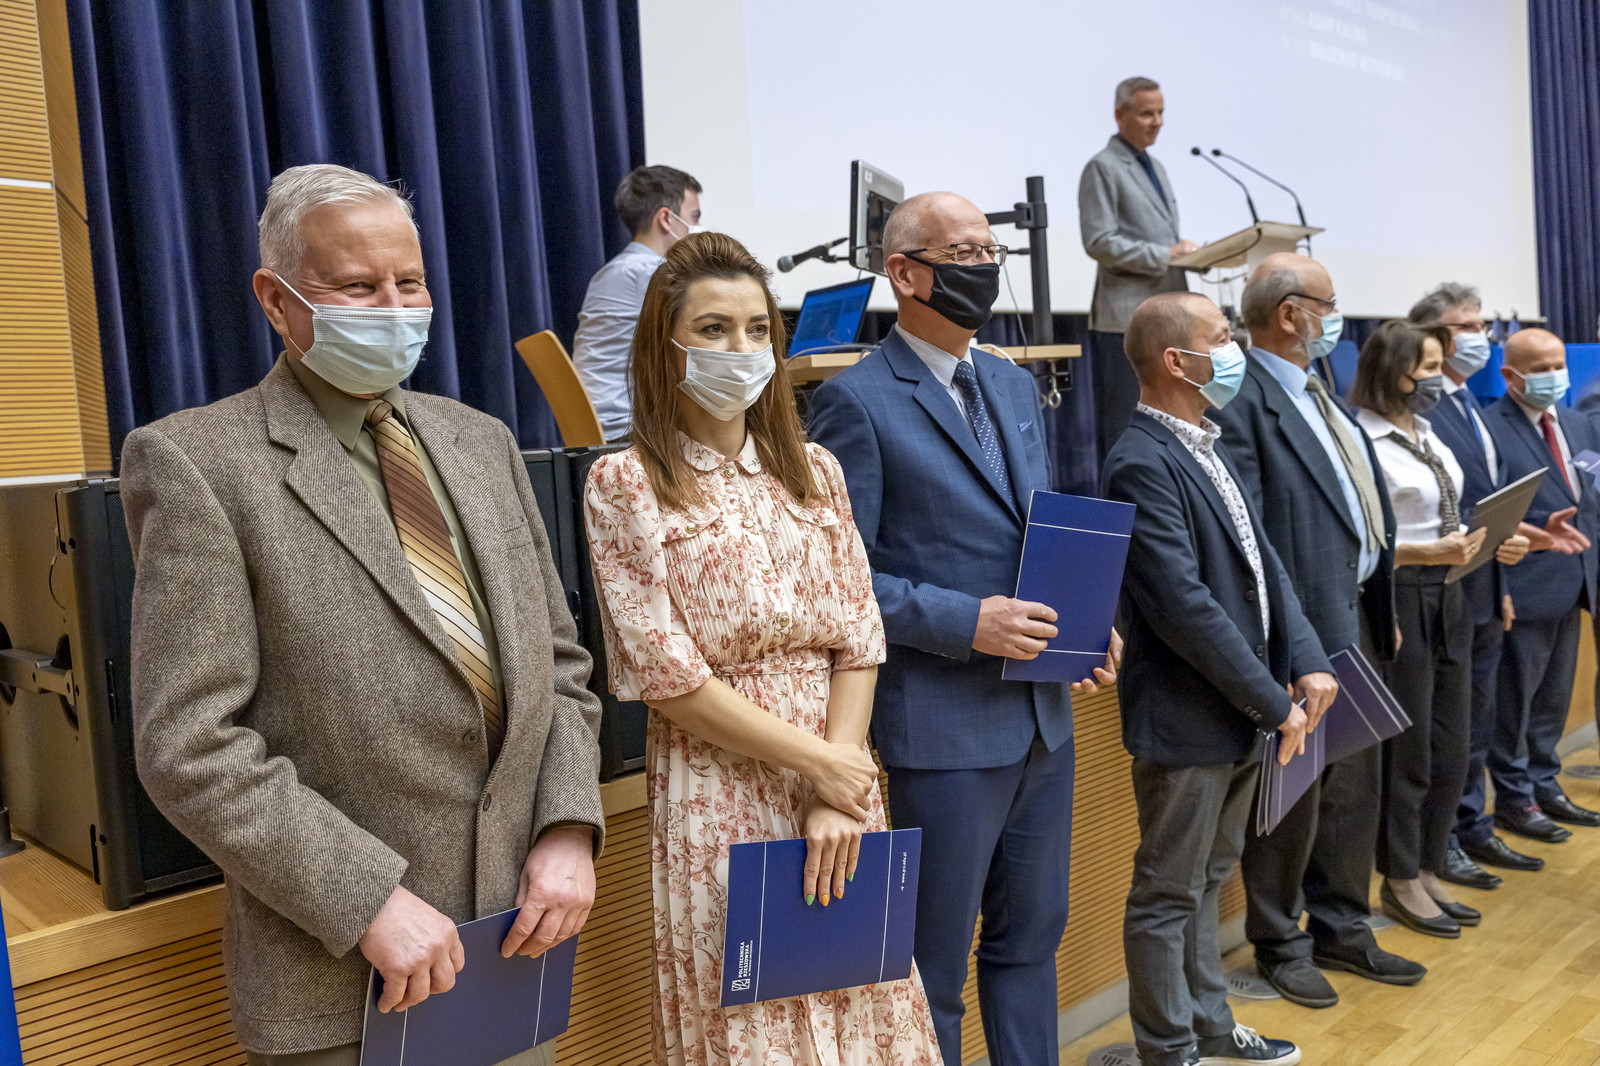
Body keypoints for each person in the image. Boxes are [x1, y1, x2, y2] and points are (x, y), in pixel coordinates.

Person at [122, 164, 604, 1066]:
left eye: (409, 281)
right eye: (356, 286)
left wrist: (569, 826)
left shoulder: (481, 441)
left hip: (513, 950)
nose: (393, 308)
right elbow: (189, 745)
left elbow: (559, 665)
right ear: (277, 299)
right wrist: (367, 899)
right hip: (346, 979)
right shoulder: (196, 463)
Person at [581, 232, 942, 1065]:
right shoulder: (625, 482)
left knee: (865, 1004)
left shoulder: (816, 470)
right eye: (712, 328)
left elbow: (859, 637)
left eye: (755, 329)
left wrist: (837, 784)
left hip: (838, 772)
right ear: (665, 345)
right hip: (720, 780)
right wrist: (821, 764)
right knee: (751, 1023)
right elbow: (665, 675)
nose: (739, 348)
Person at [809, 192, 1115, 1066]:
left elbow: (1029, 530)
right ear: (904, 274)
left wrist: (1086, 618)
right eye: (964, 252)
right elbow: (842, 582)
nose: (984, 266)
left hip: (1042, 719)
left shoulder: (1012, 383)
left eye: (990, 251)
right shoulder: (855, 401)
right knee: (932, 971)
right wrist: (965, 622)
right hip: (942, 727)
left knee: (1031, 942)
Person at [1106, 291, 1327, 1066]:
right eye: (1223, 336)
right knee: (1167, 892)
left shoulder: (1208, 443)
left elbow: (1267, 569)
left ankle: (1207, 1024)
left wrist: (1308, 659)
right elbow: (1183, 607)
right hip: (1190, 717)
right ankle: (1169, 1048)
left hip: (1242, 713)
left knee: (1208, 879)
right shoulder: (1140, 459)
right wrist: (1273, 704)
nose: (1233, 352)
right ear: (1178, 360)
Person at [1215, 253, 1419, 1008]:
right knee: (1293, 795)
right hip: (1300, 628)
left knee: (1354, 787)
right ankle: (1280, 940)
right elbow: (1251, 539)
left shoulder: (1318, 388)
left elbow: (1357, 503)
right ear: (1291, 314)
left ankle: (1343, 925)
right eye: (1328, 305)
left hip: (1356, 612)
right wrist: (1290, 645)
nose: (1336, 318)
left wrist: (1381, 609)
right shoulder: (1242, 401)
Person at [1350, 321, 1524, 939]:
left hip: (1453, 592)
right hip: (1399, 596)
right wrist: (1426, 552)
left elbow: (1454, 514)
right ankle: (1400, 876)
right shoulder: (1361, 440)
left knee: (1454, 744)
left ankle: (1429, 863)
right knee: (1411, 749)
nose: (1436, 377)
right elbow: (1357, 541)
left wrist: (1494, 541)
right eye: (1426, 367)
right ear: (1393, 371)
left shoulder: (1427, 431)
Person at [1406, 284, 1573, 884]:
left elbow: (1487, 505)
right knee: (1448, 733)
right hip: (1438, 592)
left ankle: (1473, 827)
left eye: (1483, 324)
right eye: (1470, 326)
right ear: (1435, 337)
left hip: (1483, 586)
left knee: (1475, 726)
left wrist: (1504, 576)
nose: (1483, 335)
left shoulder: (1466, 403)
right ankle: (1442, 840)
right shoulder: (1424, 411)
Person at [1483, 328, 1600, 845]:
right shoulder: (1491, 428)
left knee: (1553, 699)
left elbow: (1589, 494)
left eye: (1559, 365)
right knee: (1515, 704)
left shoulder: (1575, 422)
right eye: (1542, 368)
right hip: (1524, 585)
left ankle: (1546, 785)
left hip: (1575, 583)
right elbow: (1492, 513)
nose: (1555, 376)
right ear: (1510, 375)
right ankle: (1515, 798)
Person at [1078, 75, 1196, 464]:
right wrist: (1165, 254)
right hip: (1125, 321)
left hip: (1167, 316)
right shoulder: (1103, 166)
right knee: (1125, 427)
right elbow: (1099, 241)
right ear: (1120, 114)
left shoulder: (1156, 166)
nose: (1157, 121)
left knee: (1168, 423)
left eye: (1160, 112)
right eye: (1147, 113)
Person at [572, 165, 703, 441]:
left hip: (600, 426)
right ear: (666, 218)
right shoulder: (651, 274)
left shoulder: (614, 271)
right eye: (694, 217)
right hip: (628, 429)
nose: (697, 229)